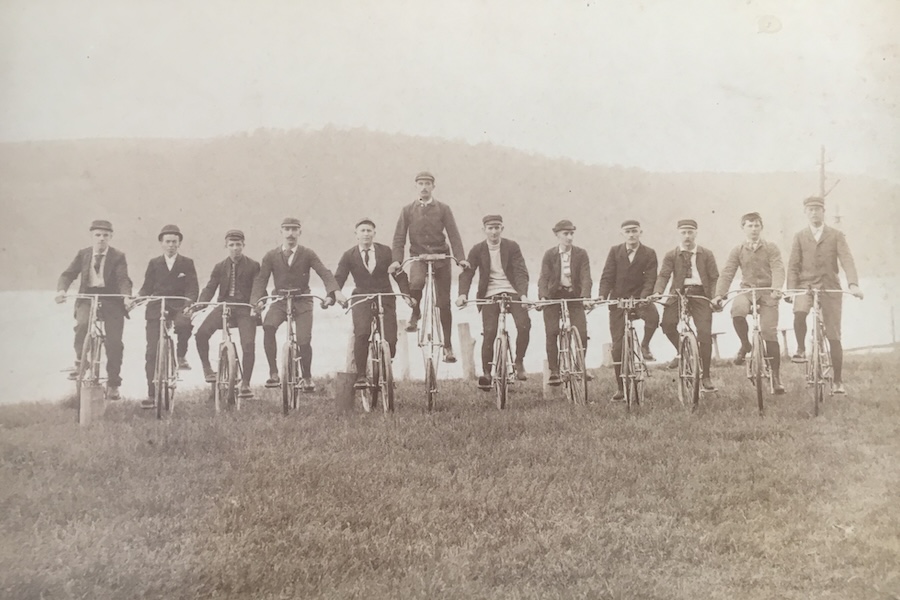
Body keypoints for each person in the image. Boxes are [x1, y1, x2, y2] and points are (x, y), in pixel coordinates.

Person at [251, 217, 347, 393]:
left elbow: (324, 273)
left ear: (300, 233)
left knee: (304, 340)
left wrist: (334, 292)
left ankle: (307, 376)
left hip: (302, 300)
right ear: (281, 232)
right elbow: (261, 280)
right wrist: (256, 301)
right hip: (280, 300)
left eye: (294, 229)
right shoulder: (271, 256)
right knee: (268, 326)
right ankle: (273, 372)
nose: (290, 233)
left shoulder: (307, 253)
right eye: (287, 229)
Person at [389, 171, 469, 363]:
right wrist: (397, 260)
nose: (424, 187)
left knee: (444, 303)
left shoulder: (443, 208)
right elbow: (399, 237)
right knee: (416, 282)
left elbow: (454, 234)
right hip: (418, 256)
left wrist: (460, 258)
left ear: (433, 187)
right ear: (415, 186)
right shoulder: (407, 210)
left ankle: (448, 347)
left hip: (441, 257)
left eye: (427, 184)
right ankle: (415, 313)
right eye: (420, 184)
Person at [786, 196, 863, 395]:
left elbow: (847, 260)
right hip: (806, 286)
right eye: (810, 209)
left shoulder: (836, 235)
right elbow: (793, 265)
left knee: (834, 335)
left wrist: (853, 284)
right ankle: (801, 348)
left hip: (830, 287)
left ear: (823, 212)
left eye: (818, 209)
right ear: (805, 212)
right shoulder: (800, 236)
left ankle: (837, 381)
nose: (814, 213)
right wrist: (791, 289)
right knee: (800, 312)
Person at [332, 218, 415, 390]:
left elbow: (398, 274)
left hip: (385, 295)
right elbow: (339, 277)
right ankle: (361, 376)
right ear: (356, 235)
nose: (366, 234)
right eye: (362, 231)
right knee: (362, 333)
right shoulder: (349, 255)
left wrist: (406, 294)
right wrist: (335, 294)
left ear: (374, 233)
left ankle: (386, 364)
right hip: (361, 297)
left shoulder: (385, 251)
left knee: (391, 338)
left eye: (369, 231)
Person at [56, 219, 133, 401]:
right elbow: (68, 274)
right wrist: (61, 291)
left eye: (105, 235)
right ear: (91, 236)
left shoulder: (118, 256)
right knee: (82, 324)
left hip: (111, 300)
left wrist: (126, 296)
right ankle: (80, 362)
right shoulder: (83, 254)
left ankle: (113, 383)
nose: (101, 239)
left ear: (111, 237)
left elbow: (123, 278)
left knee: (114, 341)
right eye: (97, 235)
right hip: (87, 298)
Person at [712, 212, 786, 393]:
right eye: (749, 226)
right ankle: (745, 343)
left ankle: (775, 377)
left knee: (769, 331)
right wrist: (719, 295)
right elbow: (728, 272)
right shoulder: (738, 250)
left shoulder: (771, 247)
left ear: (761, 227)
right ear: (743, 228)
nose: (753, 229)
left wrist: (777, 288)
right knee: (737, 311)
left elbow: (778, 268)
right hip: (746, 290)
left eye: (756, 226)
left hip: (768, 292)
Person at [456, 214, 532, 390]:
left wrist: (523, 295)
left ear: (502, 229)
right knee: (489, 331)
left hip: (512, 291)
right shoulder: (477, 249)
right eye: (490, 228)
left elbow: (521, 272)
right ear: (484, 230)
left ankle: (519, 362)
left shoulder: (512, 247)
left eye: (497, 228)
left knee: (524, 324)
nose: (494, 231)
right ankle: (487, 373)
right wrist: (462, 294)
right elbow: (468, 273)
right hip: (489, 294)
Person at [651, 219, 719, 392]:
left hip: (700, 294)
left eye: (690, 232)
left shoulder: (706, 254)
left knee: (704, 332)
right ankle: (682, 352)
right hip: (678, 294)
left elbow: (714, 278)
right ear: (678, 233)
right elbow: (664, 275)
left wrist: (714, 297)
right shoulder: (671, 255)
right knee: (667, 324)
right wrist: (658, 292)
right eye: (684, 232)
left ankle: (706, 376)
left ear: (696, 233)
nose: (687, 236)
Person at [137, 224, 199, 408]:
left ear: (179, 243)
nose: (171, 245)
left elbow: (193, 287)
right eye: (167, 241)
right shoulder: (154, 263)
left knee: (184, 324)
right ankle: (151, 394)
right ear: (161, 243)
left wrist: (189, 304)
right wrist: (139, 298)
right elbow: (146, 287)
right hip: (157, 305)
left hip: (178, 304)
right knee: (151, 351)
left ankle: (180, 356)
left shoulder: (187, 263)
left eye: (174, 242)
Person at [597, 219, 659, 401]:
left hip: (640, 299)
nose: (631, 234)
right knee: (617, 347)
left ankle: (645, 345)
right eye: (627, 231)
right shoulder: (615, 251)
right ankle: (621, 387)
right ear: (622, 234)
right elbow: (607, 275)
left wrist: (644, 297)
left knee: (653, 318)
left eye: (634, 231)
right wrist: (602, 295)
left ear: (641, 232)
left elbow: (651, 278)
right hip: (618, 301)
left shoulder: (649, 253)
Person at [194, 229, 261, 398]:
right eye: (231, 245)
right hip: (224, 306)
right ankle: (208, 369)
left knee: (248, 344)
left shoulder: (253, 265)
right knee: (201, 334)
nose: (235, 248)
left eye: (238, 245)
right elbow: (210, 287)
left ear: (243, 245)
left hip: (245, 308)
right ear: (226, 246)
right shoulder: (219, 267)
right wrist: (199, 304)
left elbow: (258, 288)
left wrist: (256, 304)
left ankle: (245, 383)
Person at [537, 219, 592, 386]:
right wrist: (543, 297)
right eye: (565, 234)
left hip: (574, 296)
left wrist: (585, 297)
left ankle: (580, 364)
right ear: (557, 235)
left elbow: (585, 276)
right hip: (554, 296)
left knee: (581, 332)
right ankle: (554, 371)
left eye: (571, 234)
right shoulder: (549, 254)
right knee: (552, 331)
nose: (569, 237)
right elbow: (544, 277)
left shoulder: (581, 253)